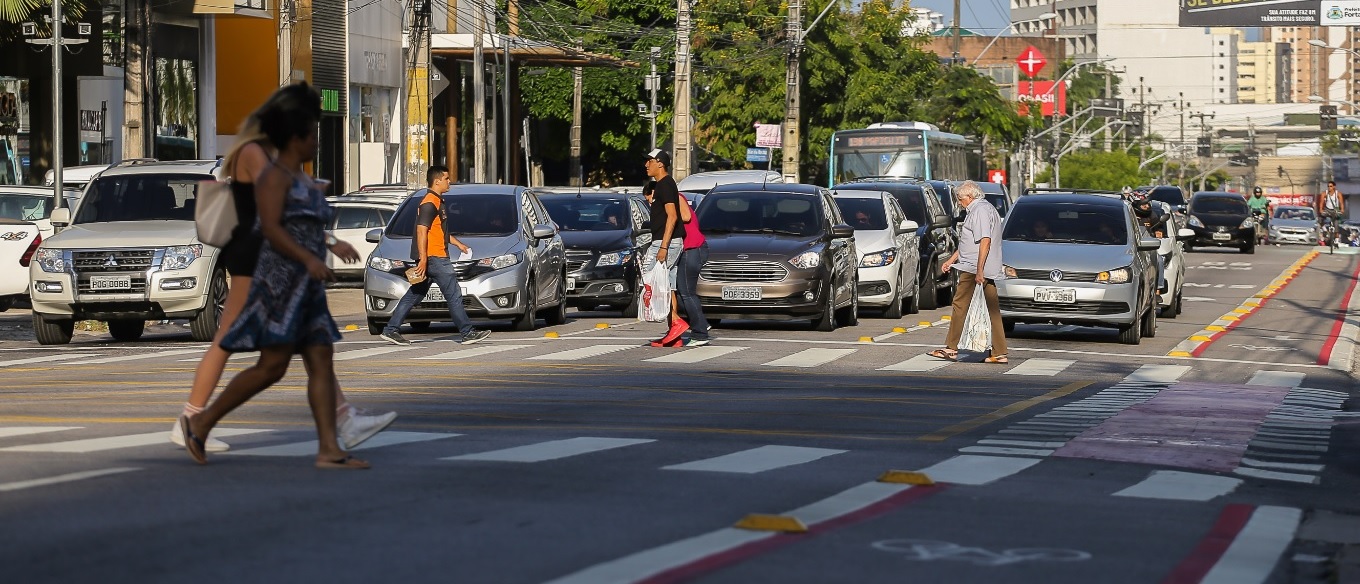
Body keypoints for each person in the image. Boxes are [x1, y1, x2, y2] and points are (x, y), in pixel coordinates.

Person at [171, 88, 395, 454]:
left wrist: (323, 238)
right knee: (233, 339)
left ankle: (340, 421)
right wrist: (320, 239)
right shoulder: (257, 155)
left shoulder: (263, 153)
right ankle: (193, 418)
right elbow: (280, 206)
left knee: (312, 348)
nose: (314, 136)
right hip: (257, 252)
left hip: (270, 251)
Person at [379, 166, 490, 346]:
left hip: (433, 257)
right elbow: (421, 231)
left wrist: (458, 244)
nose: (449, 182)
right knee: (454, 294)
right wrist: (423, 259)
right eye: (446, 178)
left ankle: (391, 329)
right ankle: (467, 332)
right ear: (437, 181)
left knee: (415, 293)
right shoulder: (430, 202)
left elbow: (438, 231)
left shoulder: (437, 201)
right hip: (435, 258)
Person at [927, 180, 1008, 364]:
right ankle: (999, 352)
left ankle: (951, 348)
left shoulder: (978, 211)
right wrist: (951, 260)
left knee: (959, 304)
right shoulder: (987, 209)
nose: (959, 202)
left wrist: (979, 270)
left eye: (960, 198)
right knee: (992, 309)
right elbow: (971, 242)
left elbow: (985, 241)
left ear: (970, 197)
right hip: (984, 266)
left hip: (974, 268)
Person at [640, 148, 687, 347]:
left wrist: (664, 247)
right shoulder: (662, 185)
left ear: (660, 163)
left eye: (649, 161)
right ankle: (674, 334)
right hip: (667, 242)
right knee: (668, 286)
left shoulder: (666, 185)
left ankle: (676, 322)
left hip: (665, 243)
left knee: (651, 281)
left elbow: (673, 216)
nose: (646, 165)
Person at [675, 180, 711, 347]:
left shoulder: (676, 197)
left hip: (692, 249)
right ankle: (700, 322)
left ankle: (700, 333)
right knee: (682, 293)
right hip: (692, 249)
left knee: (687, 293)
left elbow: (686, 217)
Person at [1318, 180, 1347, 249]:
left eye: (1330, 186)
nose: (1329, 188)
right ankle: (1325, 230)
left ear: (1334, 187)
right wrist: (1321, 210)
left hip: (1335, 210)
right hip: (1327, 209)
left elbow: (1341, 203)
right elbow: (1321, 203)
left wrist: (1342, 210)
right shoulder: (1324, 193)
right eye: (1328, 186)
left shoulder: (1338, 194)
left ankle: (1336, 241)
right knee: (1320, 219)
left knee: (1336, 225)